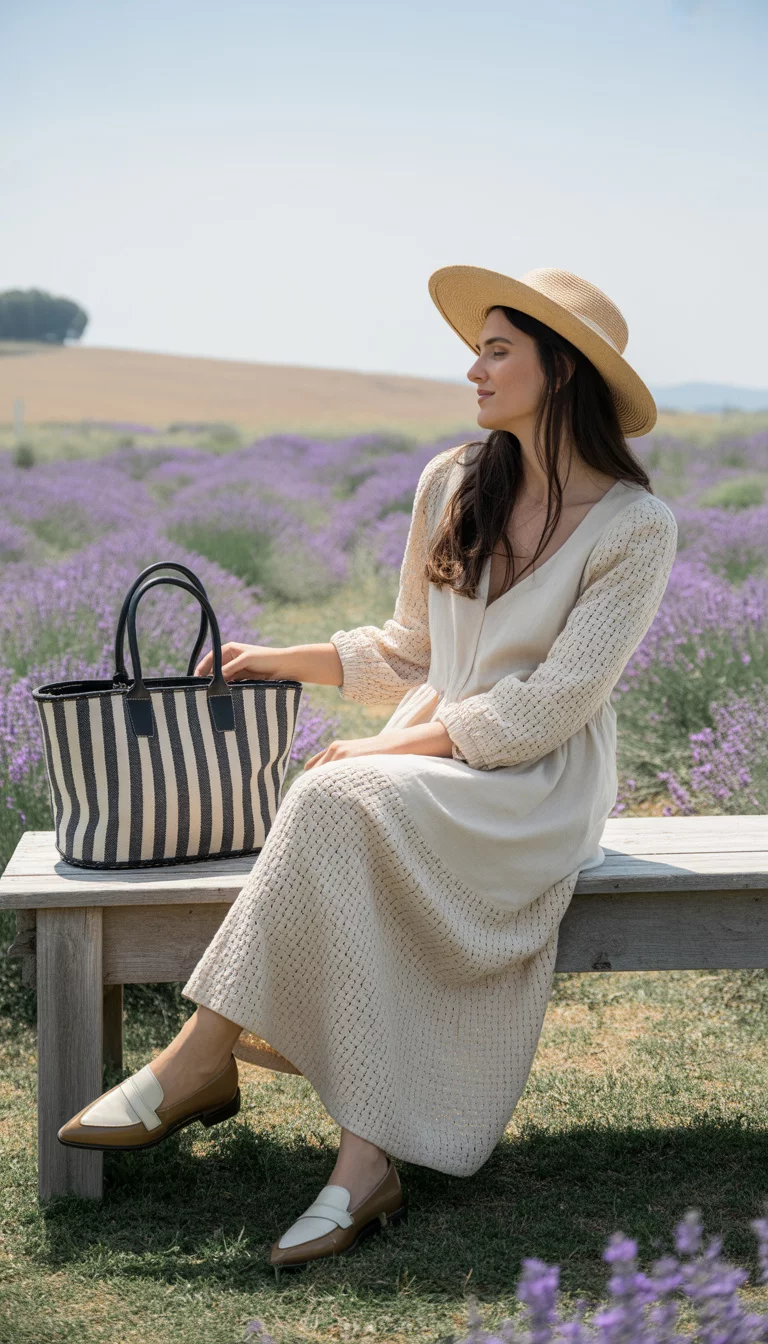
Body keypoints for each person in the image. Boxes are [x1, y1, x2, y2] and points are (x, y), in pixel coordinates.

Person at [57, 265, 678, 1271]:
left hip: (538, 783)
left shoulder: (638, 527)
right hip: (433, 765)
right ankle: (360, 1167)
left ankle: (201, 1062)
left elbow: (552, 705)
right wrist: (290, 660)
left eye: (497, 350)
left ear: (560, 371)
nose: (472, 368)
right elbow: (410, 651)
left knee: (345, 790)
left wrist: (398, 746)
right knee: (351, 801)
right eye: (477, 348)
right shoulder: (453, 479)